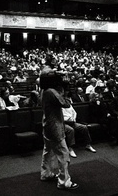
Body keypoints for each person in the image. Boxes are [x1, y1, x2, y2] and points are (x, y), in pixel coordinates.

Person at [39, 55, 79, 190]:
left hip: (47, 125)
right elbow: (66, 104)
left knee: (48, 151)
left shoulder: (44, 90)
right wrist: (64, 90)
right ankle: (64, 181)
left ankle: (46, 173)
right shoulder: (51, 92)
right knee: (63, 153)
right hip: (55, 126)